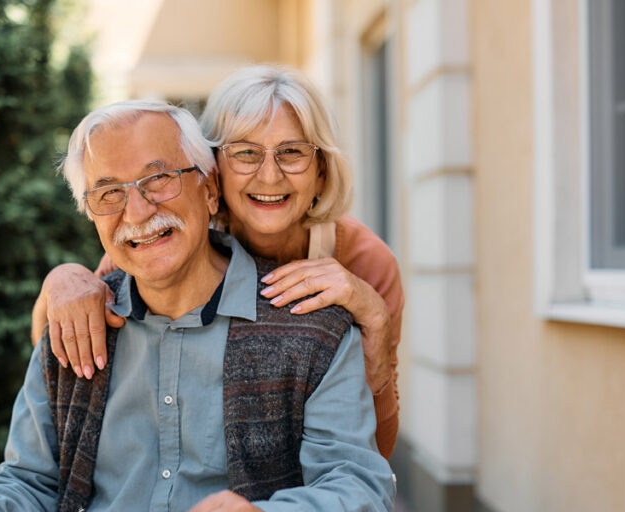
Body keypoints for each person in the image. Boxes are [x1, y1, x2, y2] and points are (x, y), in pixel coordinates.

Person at [0, 100, 394, 512]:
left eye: (158, 180)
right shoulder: (75, 322)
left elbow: (359, 491)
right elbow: (29, 484)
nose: (137, 212)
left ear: (211, 189)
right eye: (109, 192)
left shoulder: (314, 326)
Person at [32, 64, 404, 458]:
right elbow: (56, 354)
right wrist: (62, 279)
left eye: (292, 152)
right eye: (245, 153)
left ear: (322, 171)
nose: (270, 176)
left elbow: (372, 456)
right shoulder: (169, 240)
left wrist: (376, 324)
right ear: (213, 170)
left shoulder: (365, 262)